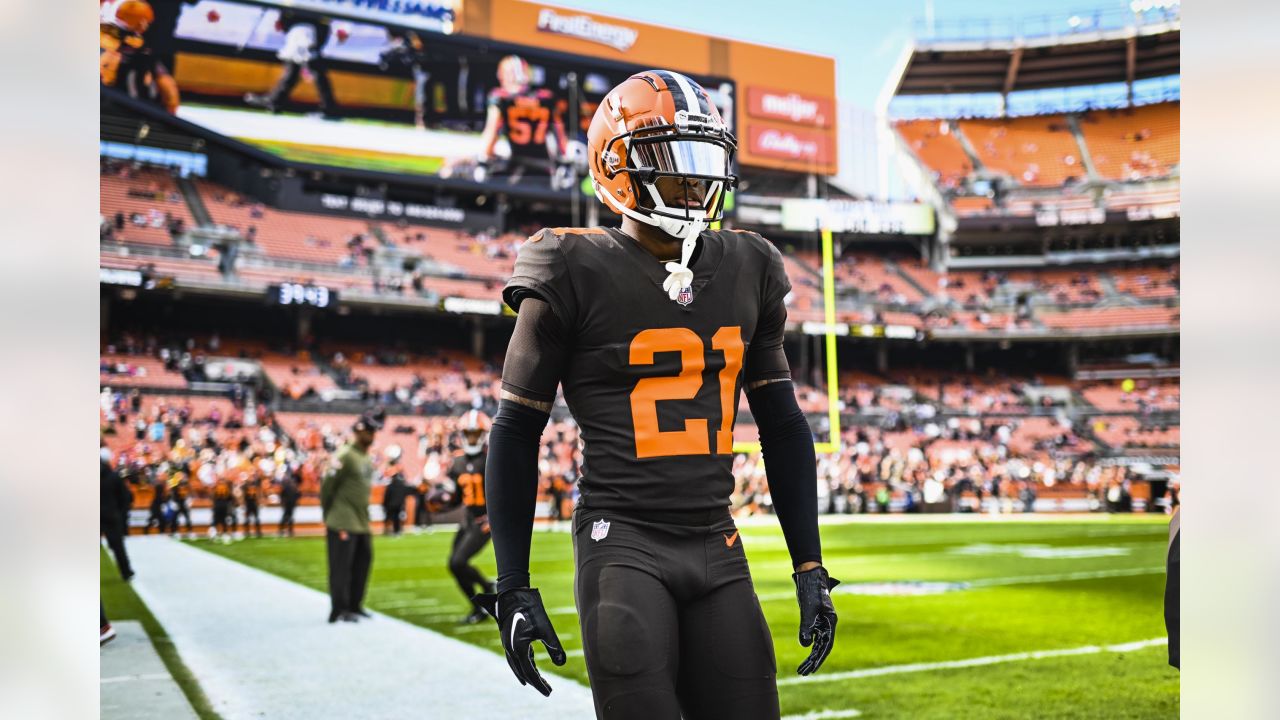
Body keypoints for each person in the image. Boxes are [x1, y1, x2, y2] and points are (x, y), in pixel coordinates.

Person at [476, 71, 838, 719]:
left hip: (717, 542)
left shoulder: (750, 264)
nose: (696, 180)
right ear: (616, 167)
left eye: (704, 159)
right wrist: (511, 584)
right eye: (673, 160)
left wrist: (808, 564)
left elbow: (782, 425)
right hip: (624, 543)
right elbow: (515, 429)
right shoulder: (568, 263)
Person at [321, 408, 383, 623]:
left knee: (361, 564)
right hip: (342, 521)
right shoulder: (345, 455)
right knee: (341, 567)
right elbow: (327, 487)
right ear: (359, 431)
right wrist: (330, 514)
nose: (373, 435)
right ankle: (340, 608)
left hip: (361, 521)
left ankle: (355, 605)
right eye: (370, 431)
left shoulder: (365, 457)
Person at [446, 411, 495, 624]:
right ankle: (479, 604)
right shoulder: (457, 463)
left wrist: (494, 518)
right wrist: (438, 501)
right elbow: (456, 498)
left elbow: (504, 492)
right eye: (469, 434)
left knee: (458, 561)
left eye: (476, 434)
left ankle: (486, 589)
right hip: (467, 520)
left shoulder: (491, 459)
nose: (472, 438)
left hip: (484, 521)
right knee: (454, 565)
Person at [244, 11, 339, 118]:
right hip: (305, 24)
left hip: (309, 25)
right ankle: (275, 100)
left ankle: (329, 108)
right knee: (294, 65)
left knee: (313, 65)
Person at [100, 448, 134, 581]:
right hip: (111, 514)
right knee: (118, 546)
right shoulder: (114, 476)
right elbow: (125, 498)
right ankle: (126, 571)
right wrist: (120, 513)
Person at [381, 446, 408, 536]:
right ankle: (395, 531)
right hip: (396, 503)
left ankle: (390, 531)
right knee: (394, 517)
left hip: (392, 503)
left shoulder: (393, 480)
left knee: (391, 517)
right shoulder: (396, 479)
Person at [279, 472, 300, 537]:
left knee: (287, 517)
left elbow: (282, 495)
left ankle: (285, 529)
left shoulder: (288, 487)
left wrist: (283, 502)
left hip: (289, 504)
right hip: (289, 504)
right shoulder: (292, 487)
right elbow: (298, 495)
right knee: (288, 517)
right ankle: (287, 530)